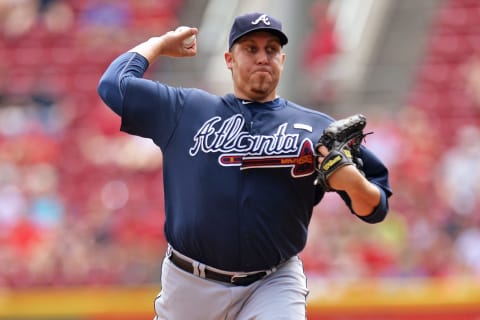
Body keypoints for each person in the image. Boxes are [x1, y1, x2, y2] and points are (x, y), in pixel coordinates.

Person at [97, 12, 392, 320]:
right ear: (229, 59)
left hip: (272, 281)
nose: (262, 57)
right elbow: (113, 85)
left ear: (283, 58)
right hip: (189, 284)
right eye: (250, 49)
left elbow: (376, 207)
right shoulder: (186, 110)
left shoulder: (317, 128)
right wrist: (157, 44)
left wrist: (353, 183)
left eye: (271, 49)